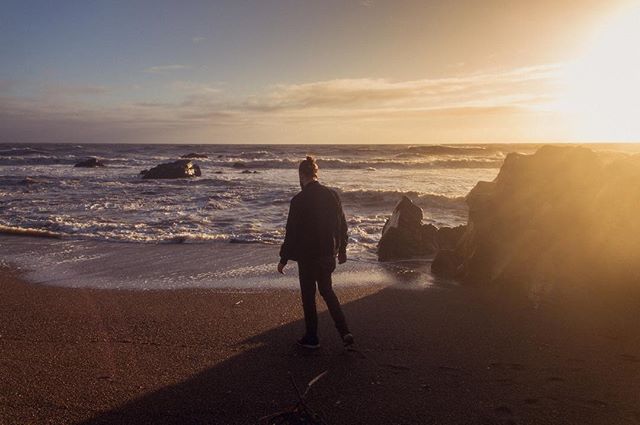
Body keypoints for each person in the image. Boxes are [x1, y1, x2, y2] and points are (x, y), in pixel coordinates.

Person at [278, 156, 354, 349]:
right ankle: (345, 332)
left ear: (302, 175)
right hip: (328, 252)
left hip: (307, 256)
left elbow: (291, 231)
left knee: (308, 296)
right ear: (316, 173)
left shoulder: (299, 200)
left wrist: (283, 258)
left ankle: (312, 338)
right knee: (328, 292)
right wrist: (342, 249)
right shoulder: (332, 195)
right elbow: (341, 225)